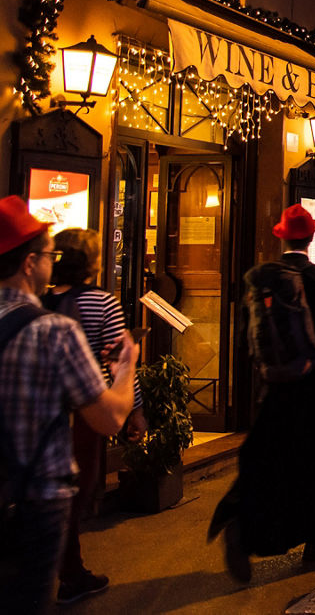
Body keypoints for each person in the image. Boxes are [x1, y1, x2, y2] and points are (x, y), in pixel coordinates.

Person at [209, 204, 315, 581]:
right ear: (311, 237)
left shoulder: (259, 277)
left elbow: (247, 337)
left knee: (268, 461)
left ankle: (242, 526)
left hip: (277, 389)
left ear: (280, 236)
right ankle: (314, 538)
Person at [0, 195, 138, 614]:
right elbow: (110, 418)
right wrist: (127, 367)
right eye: (46, 254)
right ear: (28, 263)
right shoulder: (54, 332)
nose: (51, 262)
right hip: (35, 499)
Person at [42, 229, 146, 604]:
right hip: (89, 407)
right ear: (93, 261)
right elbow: (122, 359)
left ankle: (67, 568)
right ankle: (68, 574)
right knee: (77, 491)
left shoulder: (39, 301)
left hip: (43, 409)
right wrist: (135, 411)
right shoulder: (103, 302)